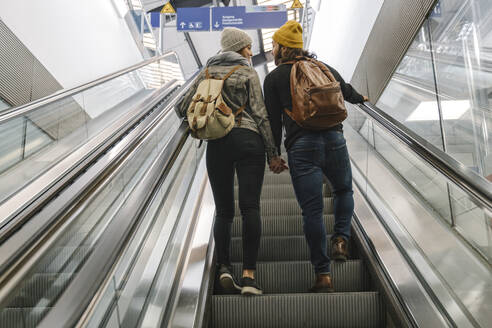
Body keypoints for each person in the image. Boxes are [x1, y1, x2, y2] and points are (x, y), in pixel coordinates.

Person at [176, 27, 286, 295]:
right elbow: (260, 115)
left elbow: (180, 106)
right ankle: (249, 276)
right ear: (239, 49)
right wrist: (273, 154)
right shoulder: (248, 72)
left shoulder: (206, 72)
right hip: (249, 140)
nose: (250, 52)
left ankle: (224, 267)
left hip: (217, 143)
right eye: (247, 47)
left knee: (224, 211)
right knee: (250, 207)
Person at [264, 20, 368, 293]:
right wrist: (362, 99)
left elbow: (273, 121)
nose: (272, 48)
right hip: (335, 139)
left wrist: (273, 155)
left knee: (312, 211)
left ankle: (323, 276)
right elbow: (345, 90)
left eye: (274, 44)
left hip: (302, 146)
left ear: (281, 48)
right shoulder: (323, 67)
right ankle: (342, 239)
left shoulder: (274, 78)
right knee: (343, 190)